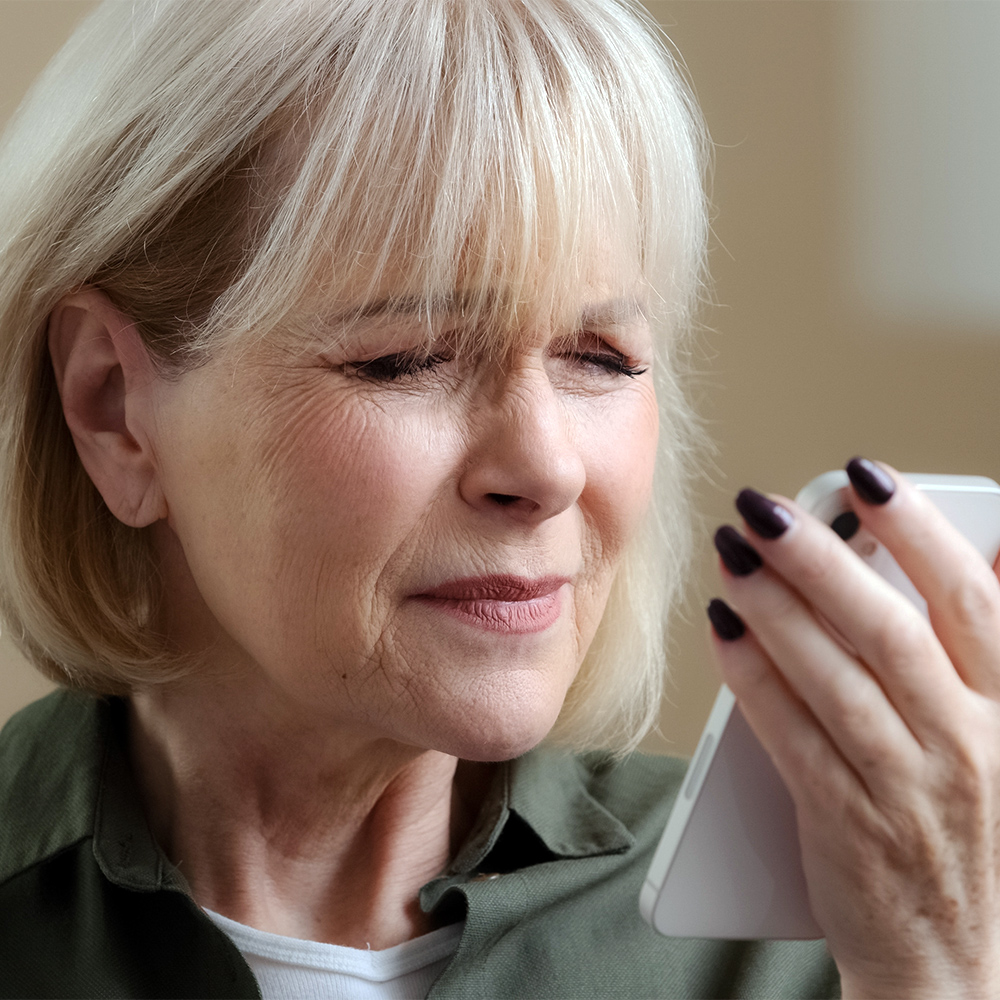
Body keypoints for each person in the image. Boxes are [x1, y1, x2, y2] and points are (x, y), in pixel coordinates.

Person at [0, 1, 992, 997]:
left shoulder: (840, 940)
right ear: (113, 407)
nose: (547, 467)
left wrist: (936, 969)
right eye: (405, 358)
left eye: (599, 356)